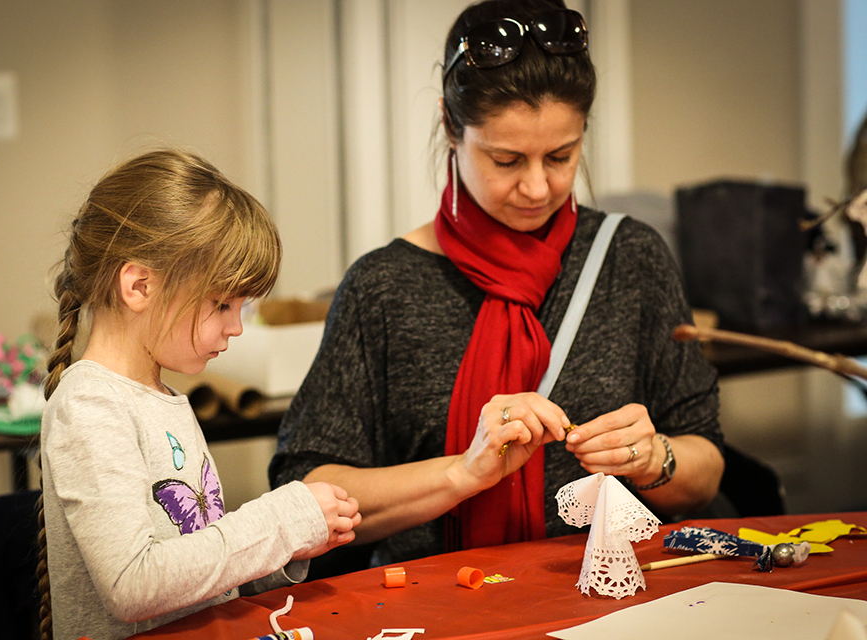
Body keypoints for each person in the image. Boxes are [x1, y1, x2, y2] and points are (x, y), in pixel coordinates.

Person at [269, 0, 724, 568]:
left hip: (611, 595)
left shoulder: (630, 258)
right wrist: (462, 472)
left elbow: (707, 467)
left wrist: (655, 458)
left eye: (561, 155)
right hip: (432, 606)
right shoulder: (383, 287)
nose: (537, 187)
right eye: (506, 160)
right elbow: (304, 492)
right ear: (450, 127)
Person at [37, 149, 361, 640]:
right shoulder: (90, 407)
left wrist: (289, 550)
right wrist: (279, 521)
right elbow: (134, 585)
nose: (235, 327)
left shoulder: (160, 397)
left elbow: (196, 569)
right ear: (140, 285)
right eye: (222, 303)